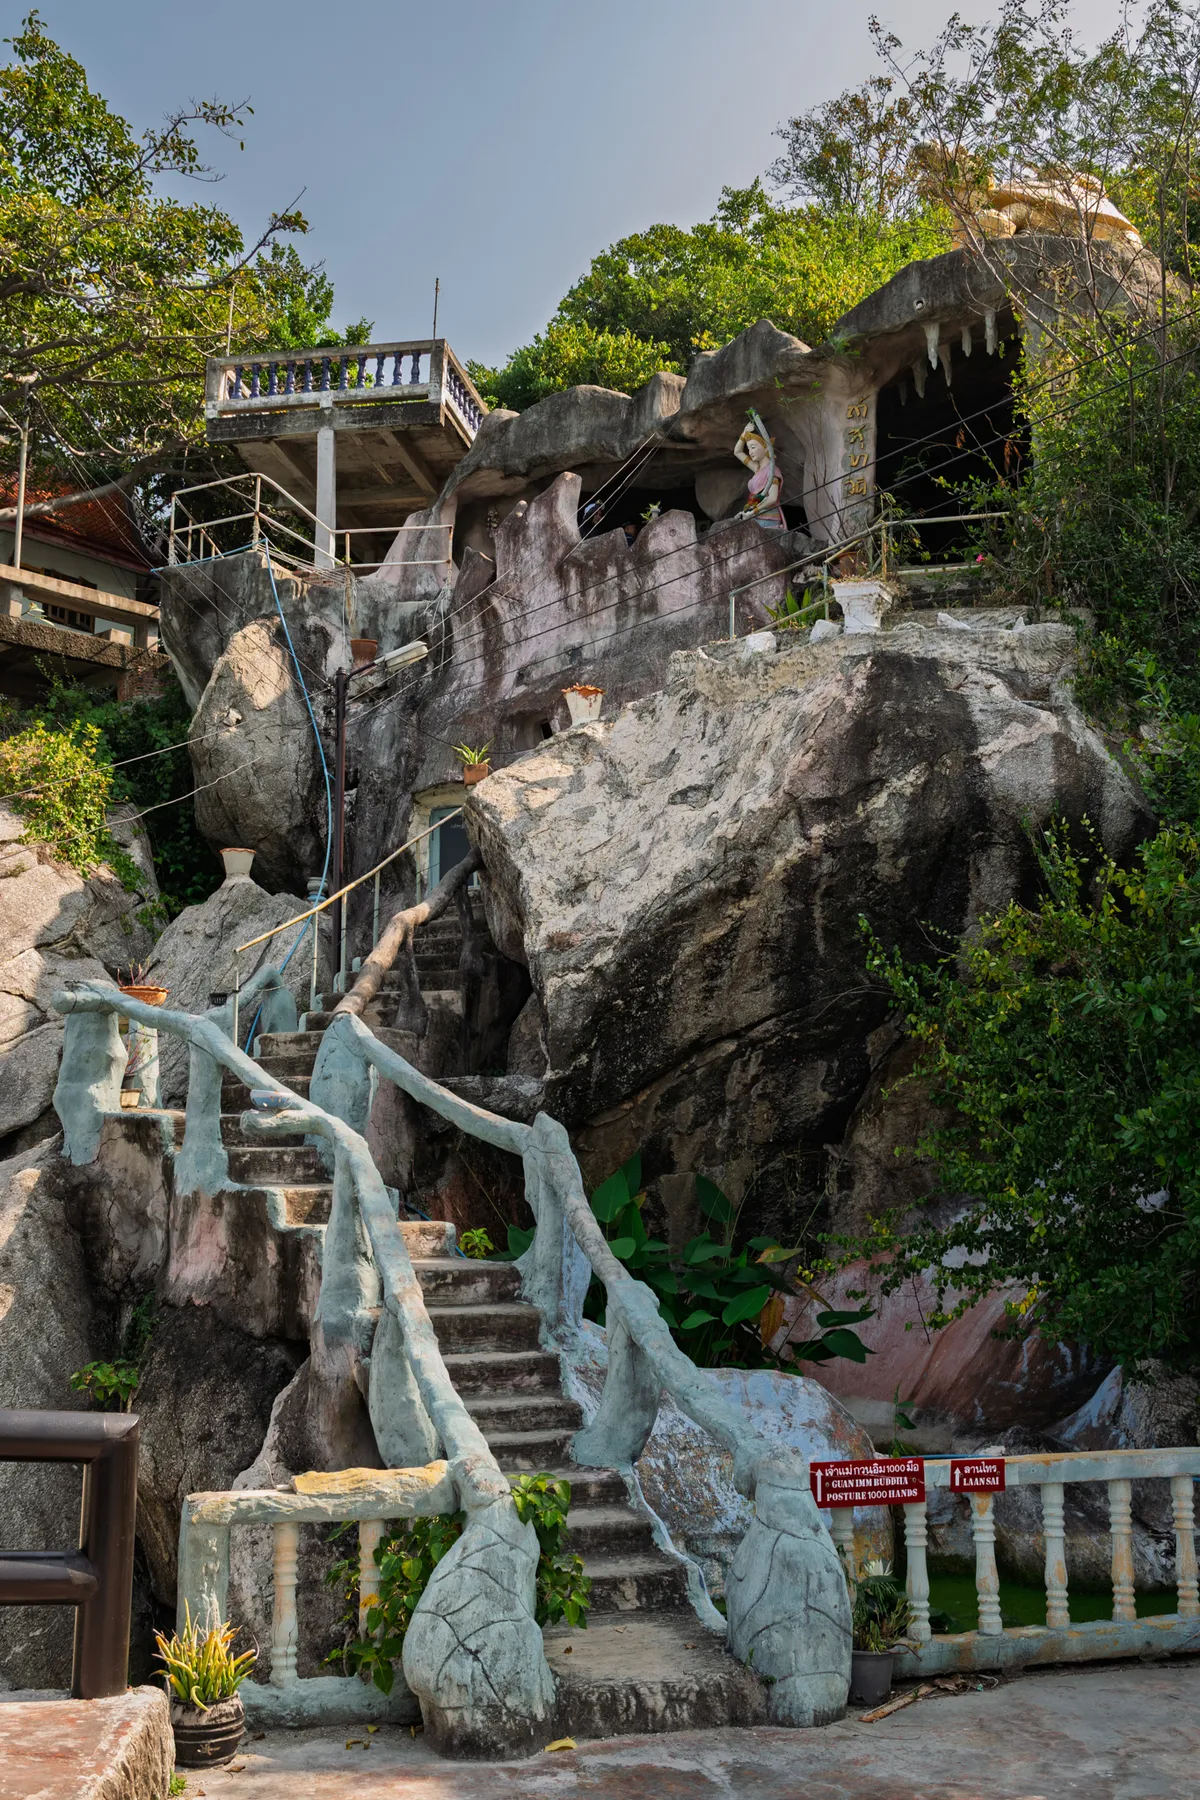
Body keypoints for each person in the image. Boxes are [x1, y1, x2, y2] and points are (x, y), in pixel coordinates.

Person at [734, 409, 786, 529]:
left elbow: (772, 498)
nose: (750, 452)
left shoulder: (772, 471)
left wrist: (753, 512)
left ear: (766, 447)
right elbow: (737, 452)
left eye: (753, 447)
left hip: (768, 519)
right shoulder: (757, 468)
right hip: (755, 515)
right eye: (749, 448)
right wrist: (743, 434)